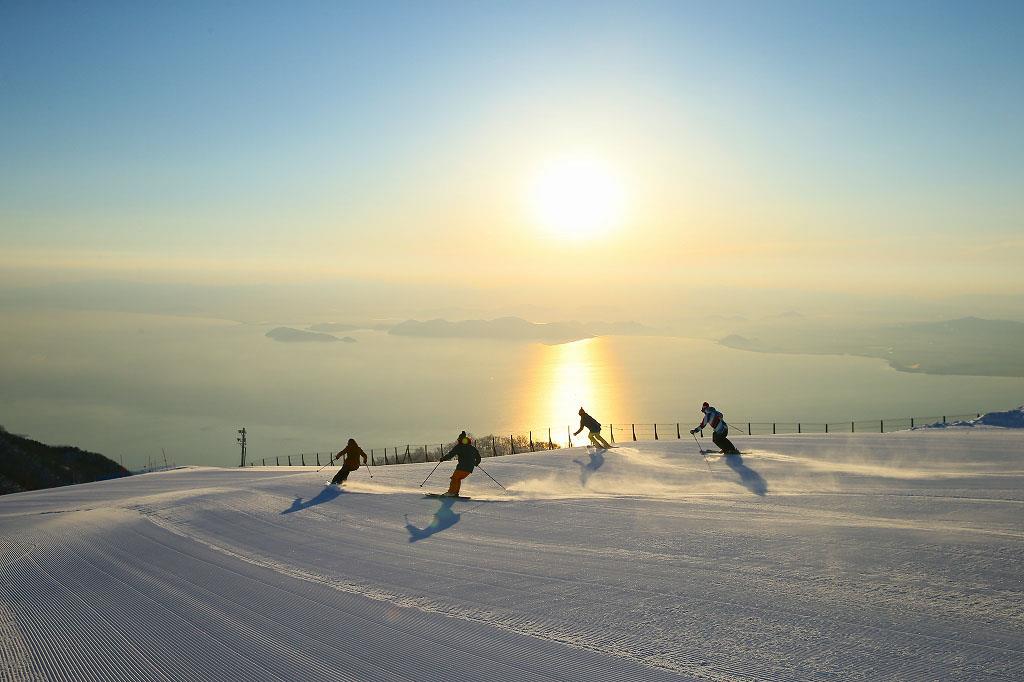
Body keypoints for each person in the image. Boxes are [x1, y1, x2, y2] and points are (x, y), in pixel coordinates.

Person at [440, 431, 481, 497]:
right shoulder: (473, 448)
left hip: (462, 467)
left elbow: (451, 454)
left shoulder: (459, 446)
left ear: (460, 440)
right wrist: (476, 463)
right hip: (469, 469)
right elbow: (478, 457)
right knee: (457, 478)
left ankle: (451, 492)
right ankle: (455, 492)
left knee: (455, 478)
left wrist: (443, 459)